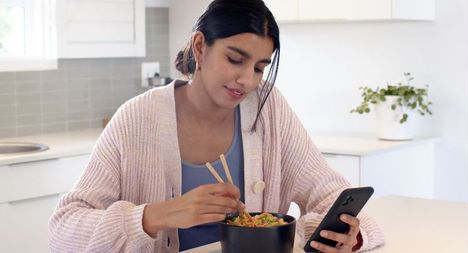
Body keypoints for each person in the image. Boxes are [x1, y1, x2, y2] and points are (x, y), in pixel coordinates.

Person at [48, 0, 384, 252]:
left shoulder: (267, 108)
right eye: (235, 59)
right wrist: (154, 216)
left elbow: (332, 196)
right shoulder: (136, 119)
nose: (247, 80)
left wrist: (350, 237)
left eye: (259, 67)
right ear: (200, 46)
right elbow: (63, 230)